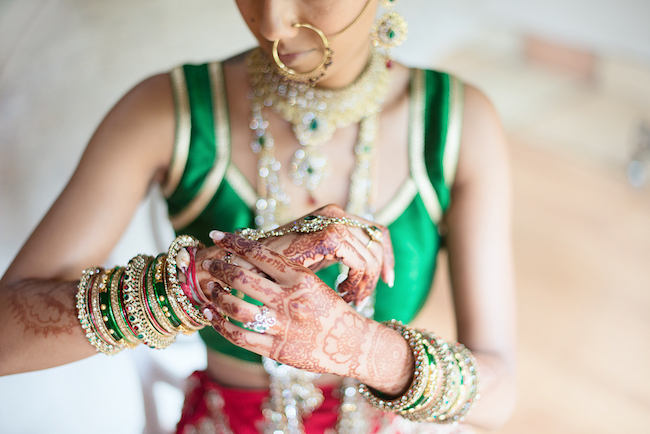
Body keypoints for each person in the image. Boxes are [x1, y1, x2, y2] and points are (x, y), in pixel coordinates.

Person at [0, 0, 516, 432]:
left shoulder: (455, 125)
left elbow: (500, 393)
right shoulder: (170, 110)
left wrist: (360, 348)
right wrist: (205, 280)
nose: (271, 23)